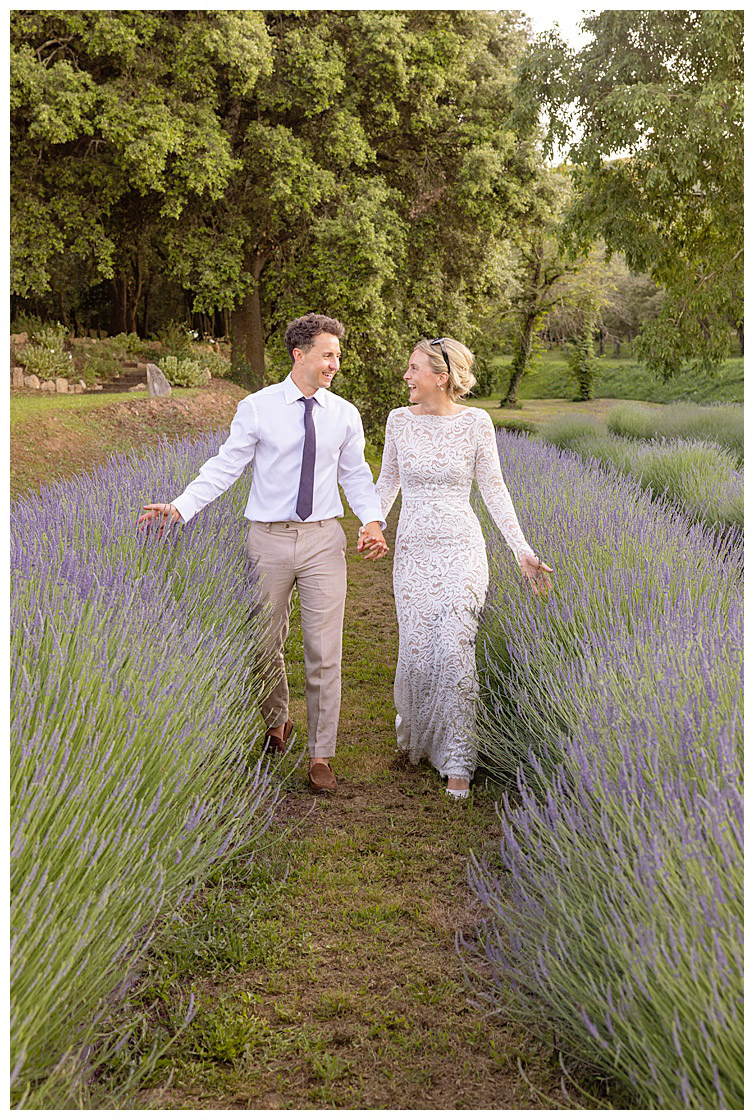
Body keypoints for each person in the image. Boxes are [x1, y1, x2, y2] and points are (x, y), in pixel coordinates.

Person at [138, 312, 388, 793]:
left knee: (324, 652)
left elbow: (356, 475)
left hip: (322, 540)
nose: (335, 364)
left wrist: (371, 521)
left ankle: (320, 755)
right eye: (327, 355)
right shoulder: (257, 407)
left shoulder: (344, 414)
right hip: (267, 540)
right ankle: (277, 718)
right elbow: (225, 465)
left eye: (337, 355)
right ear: (300, 355)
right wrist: (181, 507)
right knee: (261, 642)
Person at [368, 337, 552, 799]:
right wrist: (373, 523)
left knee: (455, 648)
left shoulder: (476, 423)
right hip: (414, 552)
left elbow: (494, 488)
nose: (406, 376)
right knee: (417, 649)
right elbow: (387, 480)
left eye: (414, 369)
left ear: (441, 377)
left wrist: (522, 550)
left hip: (462, 550)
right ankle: (421, 740)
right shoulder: (398, 421)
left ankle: (458, 760)